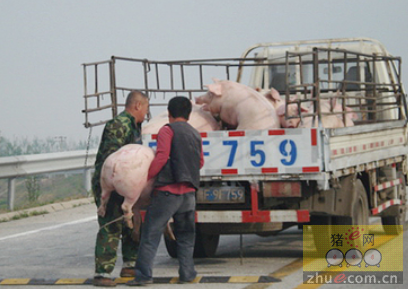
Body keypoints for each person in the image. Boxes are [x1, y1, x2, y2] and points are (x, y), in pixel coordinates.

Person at [127, 96, 204, 286]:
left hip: (167, 193)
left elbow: (161, 157)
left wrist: (145, 178)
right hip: (188, 194)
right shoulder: (196, 134)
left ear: (169, 114)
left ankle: (143, 276)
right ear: (188, 114)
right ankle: (187, 274)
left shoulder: (167, 130)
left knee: (150, 234)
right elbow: (200, 162)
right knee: (186, 237)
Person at [92, 90, 149, 287]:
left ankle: (130, 264)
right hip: (109, 182)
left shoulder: (135, 126)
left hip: (126, 183)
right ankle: (102, 272)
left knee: (130, 221)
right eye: (146, 108)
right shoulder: (118, 125)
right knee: (111, 224)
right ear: (138, 105)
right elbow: (111, 159)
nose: (146, 114)